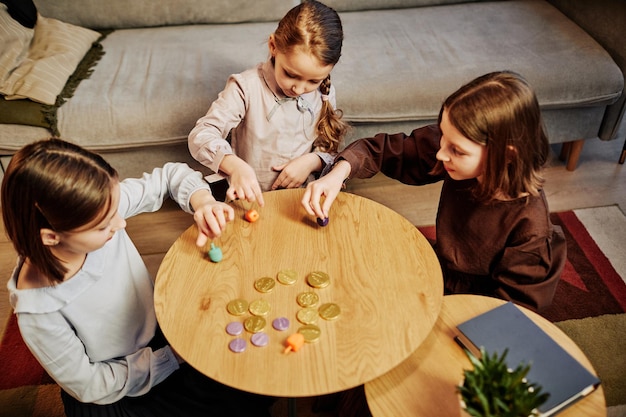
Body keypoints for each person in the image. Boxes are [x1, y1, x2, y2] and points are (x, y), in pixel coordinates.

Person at [2, 138, 275, 417]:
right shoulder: (39, 312)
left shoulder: (100, 207)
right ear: (50, 237)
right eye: (104, 226)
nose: (120, 223)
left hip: (156, 334)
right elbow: (91, 385)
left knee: (250, 384)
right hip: (114, 388)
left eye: (115, 210)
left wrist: (203, 201)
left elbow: (171, 175)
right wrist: (172, 358)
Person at [302, 71, 566, 313]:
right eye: (443, 138)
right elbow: (380, 150)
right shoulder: (456, 152)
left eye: (457, 150)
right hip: (441, 268)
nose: (441, 153)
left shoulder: (531, 231)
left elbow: (511, 317)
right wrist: (338, 173)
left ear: (506, 155)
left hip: (475, 309)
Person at [188, 0, 350, 206]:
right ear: (273, 46)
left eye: (313, 81)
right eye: (291, 74)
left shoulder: (324, 93)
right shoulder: (245, 87)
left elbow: (329, 147)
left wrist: (312, 162)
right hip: (250, 201)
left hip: (301, 200)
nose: (299, 89)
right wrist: (235, 166)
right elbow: (201, 135)